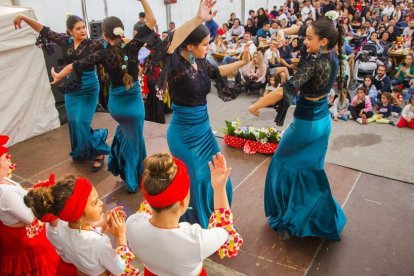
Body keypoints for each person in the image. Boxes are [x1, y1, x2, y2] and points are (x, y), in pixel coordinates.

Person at [148, 0, 250, 228]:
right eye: (205, 44)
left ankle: (216, 213)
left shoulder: (200, 61)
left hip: (204, 131)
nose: (208, 47)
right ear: (190, 45)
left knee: (217, 171)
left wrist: (242, 62)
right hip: (184, 136)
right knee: (196, 178)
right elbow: (169, 45)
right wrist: (197, 18)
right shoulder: (174, 63)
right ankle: (198, 224)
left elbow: (217, 71)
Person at [247, 16, 347, 240]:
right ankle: (312, 217)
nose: (304, 41)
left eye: (309, 39)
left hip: (306, 126)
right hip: (323, 123)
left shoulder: (313, 64)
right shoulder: (332, 56)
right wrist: (283, 31)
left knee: (281, 164)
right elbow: (300, 30)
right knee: (310, 171)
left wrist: (256, 105)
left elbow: (285, 90)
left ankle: (294, 217)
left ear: (323, 41)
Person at [50, 0, 159, 192]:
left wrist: (59, 75)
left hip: (116, 105)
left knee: (127, 133)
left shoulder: (101, 54)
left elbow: (75, 65)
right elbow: (151, 20)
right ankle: (133, 178)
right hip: (134, 103)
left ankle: (123, 163)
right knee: (135, 138)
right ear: (122, 31)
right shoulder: (133, 46)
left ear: (104, 35)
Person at [13, 14, 111, 171]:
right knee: (73, 123)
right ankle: (82, 151)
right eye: (78, 28)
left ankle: (98, 152)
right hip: (72, 89)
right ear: (69, 31)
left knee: (81, 122)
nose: (83, 30)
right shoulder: (65, 42)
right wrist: (23, 17)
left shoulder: (92, 44)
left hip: (89, 88)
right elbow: (43, 30)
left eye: (83, 27)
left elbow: (110, 42)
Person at [126, 153, 243, 275]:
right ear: (182, 203)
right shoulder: (197, 242)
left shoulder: (132, 223)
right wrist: (219, 188)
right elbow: (224, 230)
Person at [24, 175, 138, 275]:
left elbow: (83, 241)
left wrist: (103, 225)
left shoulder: (62, 226)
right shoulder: (99, 243)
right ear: (78, 214)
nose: (101, 203)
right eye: (95, 202)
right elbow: (120, 268)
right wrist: (121, 236)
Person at [0, 135, 67, 275]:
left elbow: (20, 192)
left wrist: (32, 190)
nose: (9, 159)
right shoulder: (4, 193)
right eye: (5, 157)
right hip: (26, 243)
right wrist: (42, 197)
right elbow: (30, 218)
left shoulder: (4, 180)